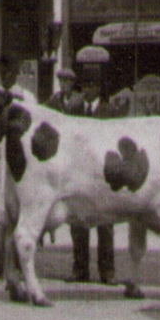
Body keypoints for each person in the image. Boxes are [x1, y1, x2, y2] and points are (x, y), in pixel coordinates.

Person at [67, 70, 116, 285]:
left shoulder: (109, 111)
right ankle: (80, 269)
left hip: (102, 174)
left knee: (105, 224)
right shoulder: (74, 109)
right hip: (79, 172)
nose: (87, 90)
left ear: (99, 88)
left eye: (91, 85)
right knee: (78, 222)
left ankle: (107, 272)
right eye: (84, 85)